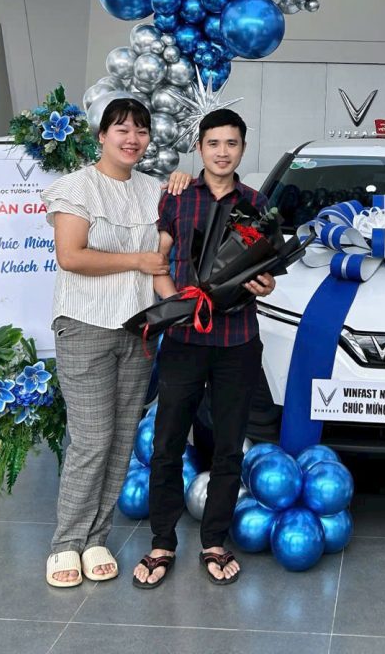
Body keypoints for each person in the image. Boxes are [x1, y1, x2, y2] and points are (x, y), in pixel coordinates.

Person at [43, 98, 190, 588]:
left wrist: (186, 306)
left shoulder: (154, 191)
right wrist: (136, 261)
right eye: (122, 129)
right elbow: (71, 255)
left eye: (141, 131)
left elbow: (162, 257)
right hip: (85, 325)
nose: (132, 139)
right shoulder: (76, 187)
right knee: (91, 440)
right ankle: (66, 543)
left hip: (138, 331)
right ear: (102, 135)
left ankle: (95, 539)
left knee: (122, 437)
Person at [133, 108, 275, 589]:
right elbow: (158, 260)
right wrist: (177, 305)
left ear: (243, 148)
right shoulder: (177, 197)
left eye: (231, 143)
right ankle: (162, 542)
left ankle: (214, 540)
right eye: (213, 143)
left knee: (229, 445)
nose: (222, 152)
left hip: (237, 342)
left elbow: (268, 273)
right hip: (185, 340)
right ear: (199, 148)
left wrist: (266, 285)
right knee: (168, 443)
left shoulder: (257, 204)